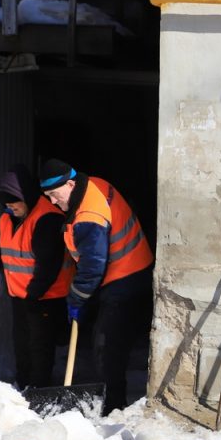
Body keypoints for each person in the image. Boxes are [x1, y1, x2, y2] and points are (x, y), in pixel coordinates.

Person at [39, 159, 154, 413]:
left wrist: (77, 298)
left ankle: (113, 407)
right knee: (110, 339)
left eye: (55, 195)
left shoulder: (88, 216)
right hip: (131, 266)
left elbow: (93, 266)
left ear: (70, 184)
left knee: (107, 345)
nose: (53, 202)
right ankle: (112, 398)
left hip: (125, 275)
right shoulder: (93, 184)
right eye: (48, 197)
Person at [0, 164, 73, 389]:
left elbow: (49, 265)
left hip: (45, 295)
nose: (10, 208)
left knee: (40, 347)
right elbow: (7, 253)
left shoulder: (47, 219)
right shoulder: (8, 219)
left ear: (26, 196)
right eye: (6, 205)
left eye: (13, 203)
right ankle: (23, 384)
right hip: (20, 296)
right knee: (22, 344)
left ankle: (39, 389)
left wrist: (34, 294)